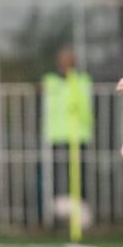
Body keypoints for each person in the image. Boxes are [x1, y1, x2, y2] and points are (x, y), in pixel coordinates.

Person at [42, 47, 94, 200]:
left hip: (79, 133)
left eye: (68, 60)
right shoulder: (50, 80)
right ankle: (57, 208)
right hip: (57, 133)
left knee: (79, 174)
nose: (65, 63)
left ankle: (80, 207)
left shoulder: (82, 80)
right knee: (57, 174)